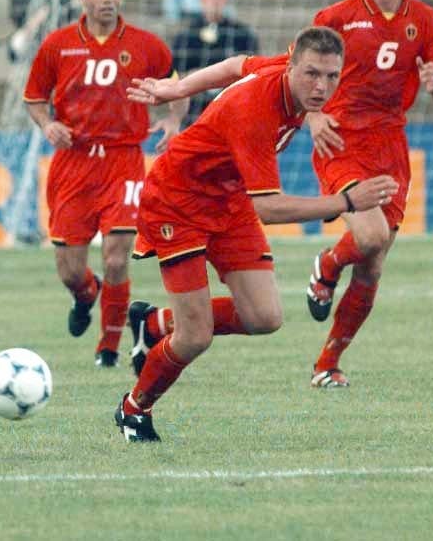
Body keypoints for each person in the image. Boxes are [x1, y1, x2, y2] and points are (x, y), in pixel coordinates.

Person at [115, 26, 399, 442]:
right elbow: (267, 207)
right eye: (312, 74)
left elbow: (232, 66)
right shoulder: (255, 110)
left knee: (264, 318)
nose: (321, 87)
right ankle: (133, 409)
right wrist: (346, 202)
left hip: (229, 201)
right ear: (292, 66)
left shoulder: (284, 75)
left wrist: (177, 90)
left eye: (331, 76)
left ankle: (156, 323)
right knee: (195, 337)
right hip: (179, 200)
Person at [303, 0, 433, 388]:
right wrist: (312, 117)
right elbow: (294, 75)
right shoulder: (337, 17)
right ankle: (327, 266)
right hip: (341, 138)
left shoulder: (424, 20)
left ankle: (327, 363)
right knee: (371, 235)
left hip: (391, 143)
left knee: (374, 261)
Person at [23, 0, 188, 367]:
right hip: (73, 163)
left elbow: (178, 85)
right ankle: (85, 294)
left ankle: (108, 348)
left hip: (123, 161)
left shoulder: (146, 44)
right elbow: (34, 98)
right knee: (69, 270)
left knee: (116, 257)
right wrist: (48, 125)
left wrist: (173, 119)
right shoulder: (58, 45)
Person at [171, 0, 259, 125]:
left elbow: (254, 75)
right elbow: (173, 76)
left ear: (226, 0)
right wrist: (195, 77)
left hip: (232, 112)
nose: (215, 2)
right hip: (194, 114)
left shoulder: (243, 35)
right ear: (201, 0)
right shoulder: (186, 36)